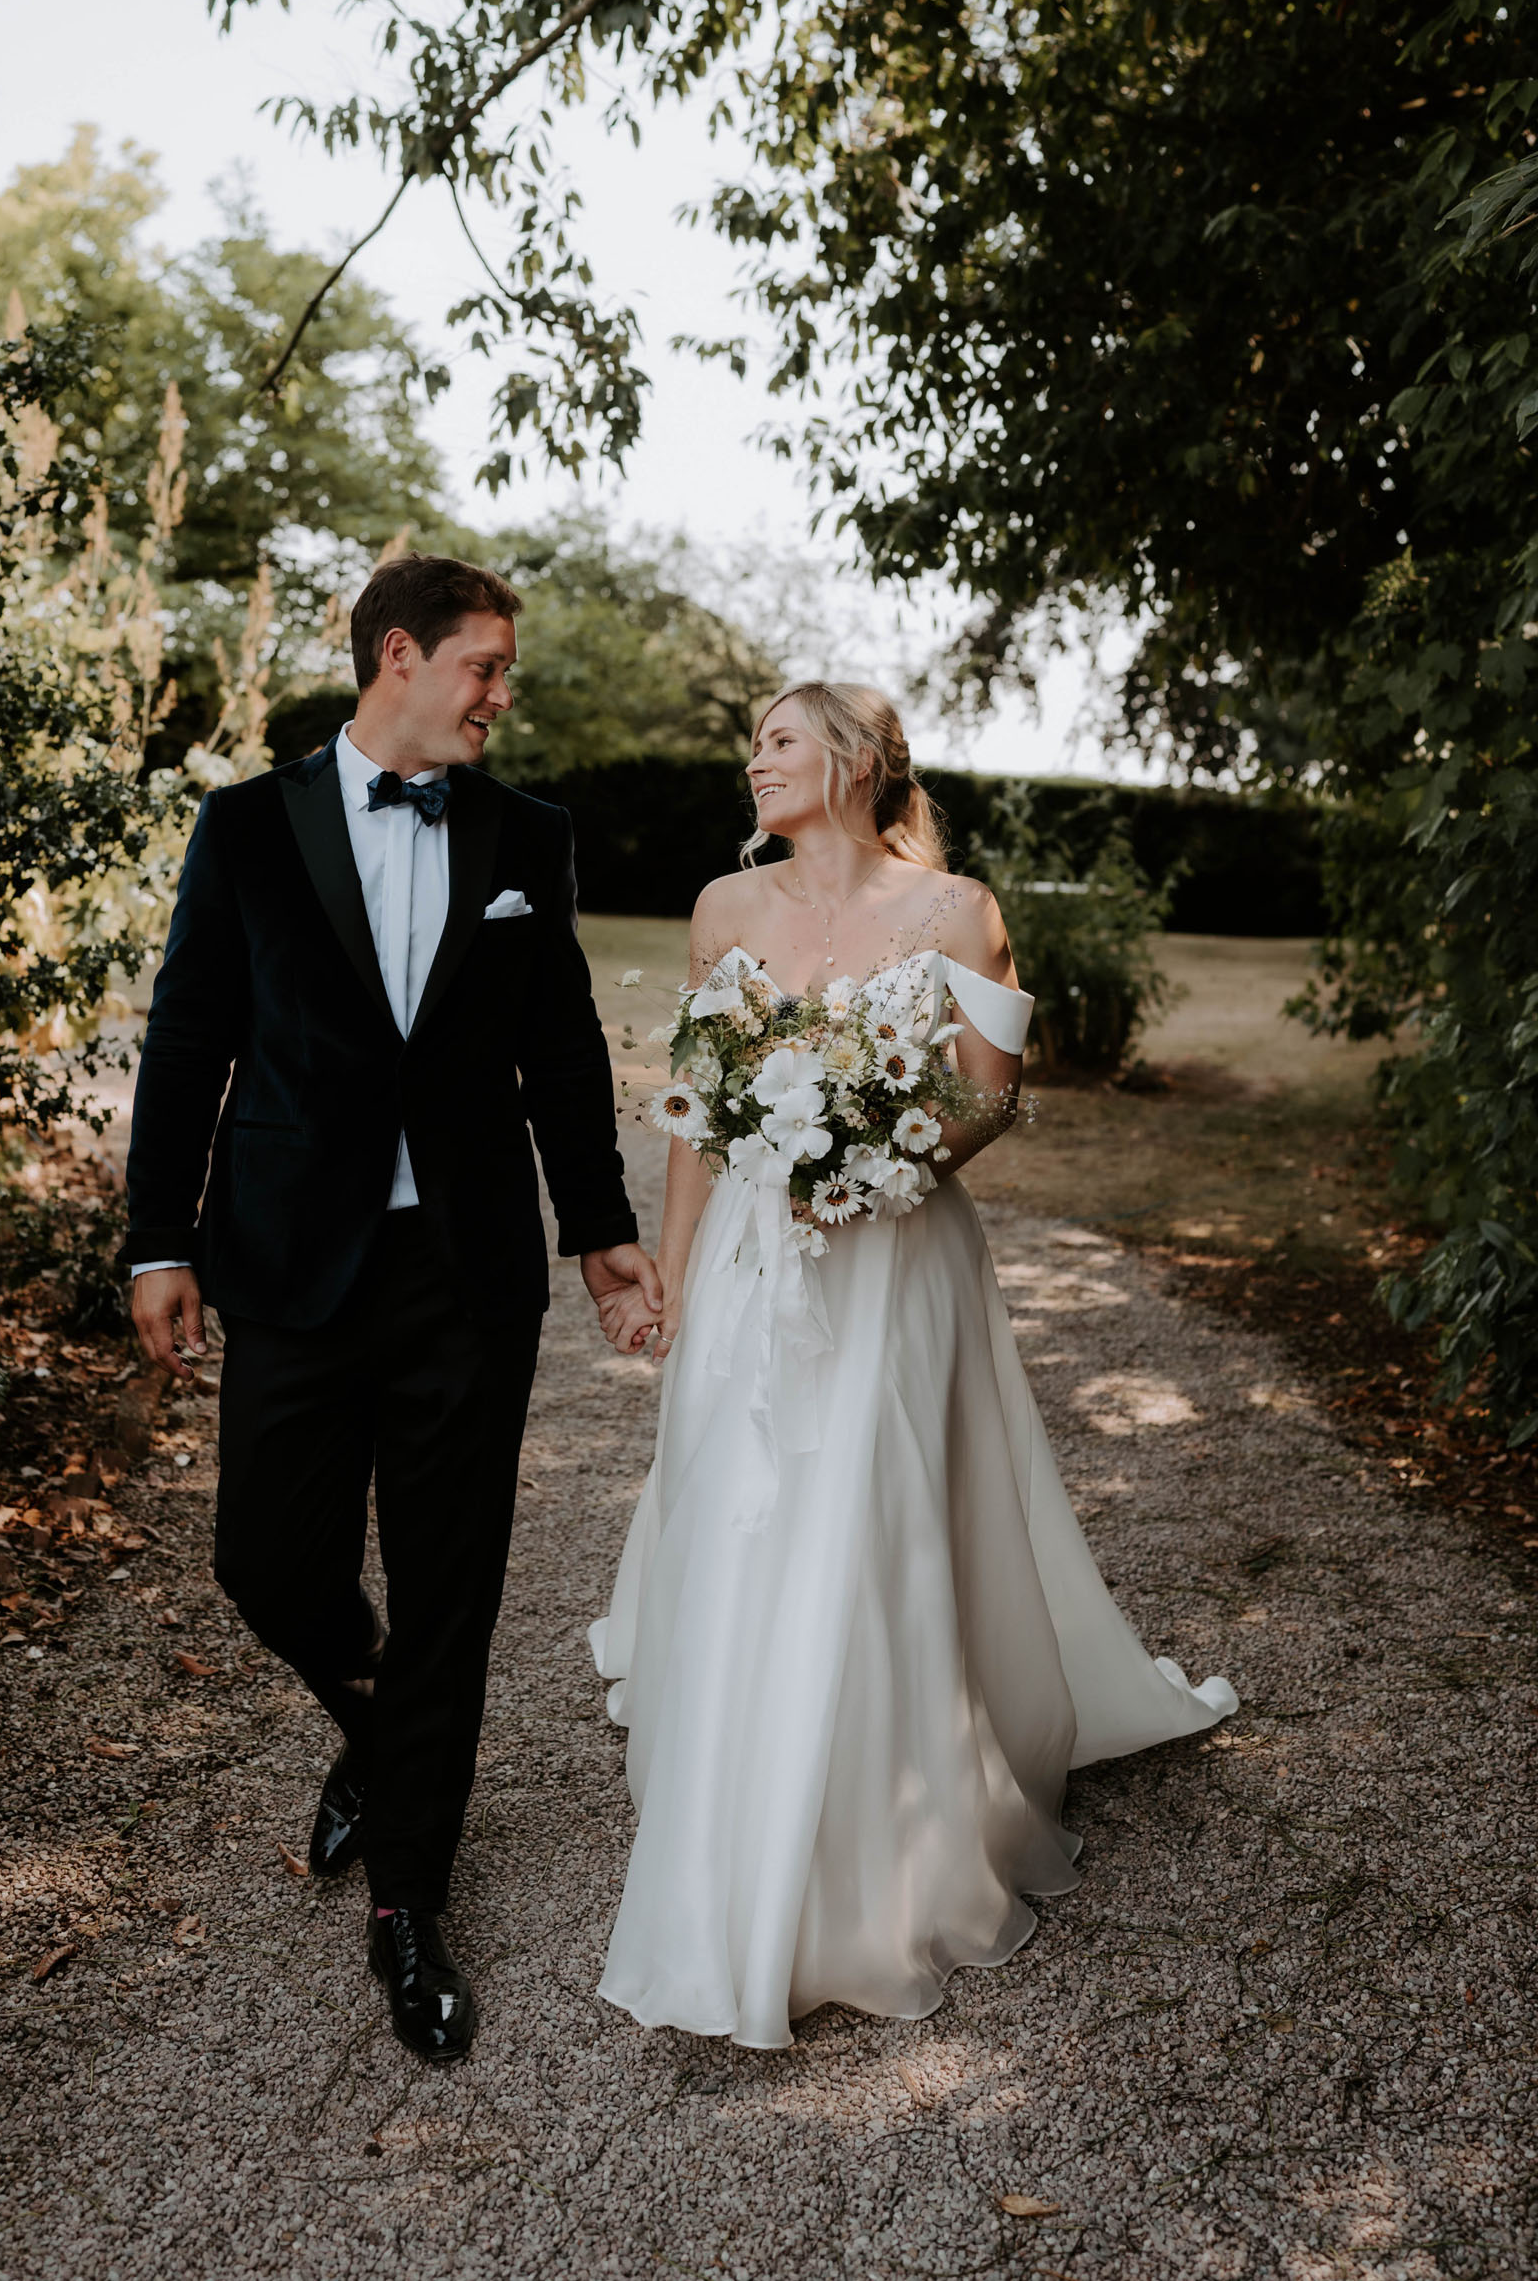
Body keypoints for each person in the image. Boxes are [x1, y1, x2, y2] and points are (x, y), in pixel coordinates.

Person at [592, 682, 1235, 2048]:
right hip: (762, 1261)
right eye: (750, 743)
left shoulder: (958, 911)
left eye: (778, 738)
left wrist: (888, 1161)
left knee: (874, 1517)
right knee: (748, 1511)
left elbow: (990, 1094)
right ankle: (742, 1804)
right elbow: (699, 1114)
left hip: (897, 1257)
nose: (753, 760)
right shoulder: (723, 909)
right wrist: (681, 1271)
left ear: (858, 758)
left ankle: (889, 1828)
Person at [126, 550, 660, 2062]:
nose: (503, 694)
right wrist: (155, 1238)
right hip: (290, 1258)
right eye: (485, 666)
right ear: (401, 659)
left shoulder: (524, 834)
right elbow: (186, 1042)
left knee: (452, 1590)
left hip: (464, 1276)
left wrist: (602, 1235)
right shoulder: (245, 827)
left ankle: (411, 1902)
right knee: (267, 1565)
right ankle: (388, 1734)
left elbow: (560, 1048)